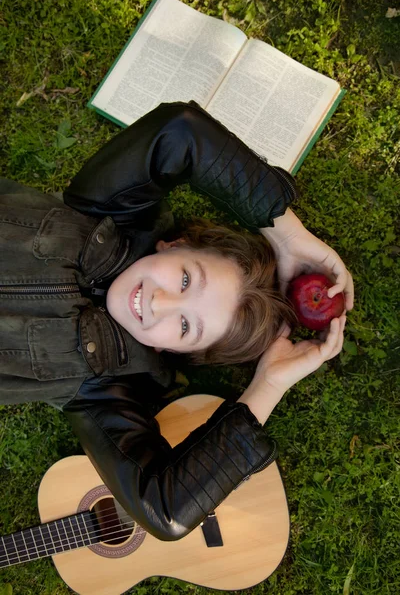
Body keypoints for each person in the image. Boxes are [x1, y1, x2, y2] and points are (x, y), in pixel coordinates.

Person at [0, 100, 353, 541]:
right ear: (175, 244)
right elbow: (179, 130)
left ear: (175, 351)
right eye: (186, 279)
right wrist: (285, 231)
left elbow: (165, 511)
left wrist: (268, 387)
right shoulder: (107, 213)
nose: (158, 303)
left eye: (186, 327)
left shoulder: (104, 390)